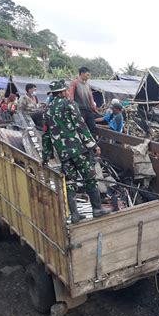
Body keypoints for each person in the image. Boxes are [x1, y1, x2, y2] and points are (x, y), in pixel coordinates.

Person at [42, 80, 111, 224]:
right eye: (66, 90)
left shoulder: (47, 110)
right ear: (61, 92)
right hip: (78, 150)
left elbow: (46, 135)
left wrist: (46, 156)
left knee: (70, 182)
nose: (68, 92)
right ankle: (97, 209)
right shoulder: (69, 105)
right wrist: (93, 145)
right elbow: (81, 126)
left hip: (63, 154)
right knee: (90, 177)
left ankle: (74, 215)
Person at [69, 67, 98, 133]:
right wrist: (73, 109)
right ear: (82, 74)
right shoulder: (74, 83)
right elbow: (71, 97)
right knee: (81, 128)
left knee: (92, 127)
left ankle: (92, 142)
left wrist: (93, 107)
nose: (88, 77)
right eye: (87, 75)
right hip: (79, 109)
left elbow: (91, 97)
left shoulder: (88, 85)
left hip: (88, 109)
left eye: (89, 75)